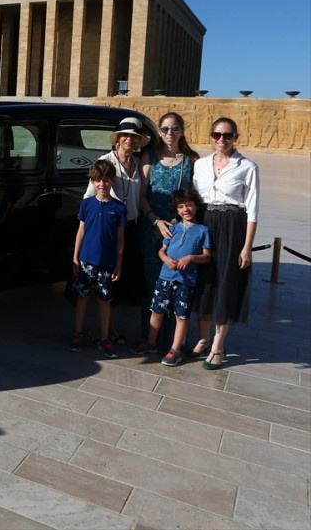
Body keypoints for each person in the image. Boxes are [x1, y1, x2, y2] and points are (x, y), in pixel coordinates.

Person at [190, 116, 259, 370]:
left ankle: (218, 345)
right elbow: (194, 199)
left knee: (226, 282)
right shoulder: (201, 165)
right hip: (206, 222)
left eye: (227, 135)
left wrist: (247, 247)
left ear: (235, 138)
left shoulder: (248, 167)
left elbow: (252, 210)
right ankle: (204, 337)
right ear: (211, 136)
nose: (222, 140)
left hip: (233, 225)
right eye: (217, 135)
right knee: (205, 281)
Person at [84, 117, 149, 342]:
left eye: (134, 136)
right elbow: (89, 198)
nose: (129, 139)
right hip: (108, 229)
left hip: (130, 226)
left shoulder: (139, 163)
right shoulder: (105, 161)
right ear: (118, 139)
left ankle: (110, 327)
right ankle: (102, 329)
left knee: (119, 280)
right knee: (104, 282)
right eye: (125, 135)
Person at [138, 112, 199, 350]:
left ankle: (174, 342)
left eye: (174, 129)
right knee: (153, 283)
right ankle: (150, 338)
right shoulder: (149, 157)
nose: (169, 134)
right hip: (151, 228)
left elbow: (196, 199)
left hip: (179, 232)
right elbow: (142, 196)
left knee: (177, 283)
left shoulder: (191, 160)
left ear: (182, 131)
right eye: (164, 129)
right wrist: (156, 221)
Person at [130, 186, 211, 366]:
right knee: (157, 311)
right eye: (181, 206)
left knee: (181, 316)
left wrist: (191, 258)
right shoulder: (172, 228)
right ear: (176, 209)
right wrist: (165, 258)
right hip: (165, 277)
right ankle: (151, 343)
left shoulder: (202, 231)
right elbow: (162, 250)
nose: (186, 210)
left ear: (196, 206)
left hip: (186, 281)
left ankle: (175, 350)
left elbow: (207, 256)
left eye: (189, 205)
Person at [70, 159, 126, 358]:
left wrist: (118, 265)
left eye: (106, 180)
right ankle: (77, 333)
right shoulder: (86, 204)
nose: (102, 184)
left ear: (112, 181)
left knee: (104, 300)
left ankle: (104, 337)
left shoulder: (119, 208)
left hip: (107, 263)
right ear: (93, 182)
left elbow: (120, 239)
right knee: (83, 297)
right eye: (98, 180)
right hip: (86, 260)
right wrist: (75, 257)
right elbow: (81, 231)